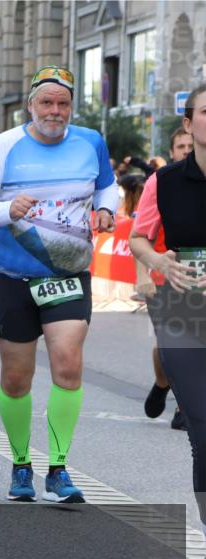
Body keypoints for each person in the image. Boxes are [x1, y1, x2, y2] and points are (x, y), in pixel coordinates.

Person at [0, 66, 118, 503]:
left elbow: (106, 187)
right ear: (31, 105)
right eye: (47, 102)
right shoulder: (5, 145)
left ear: (71, 106)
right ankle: (20, 464)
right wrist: (7, 208)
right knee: (16, 378)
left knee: (68, 364)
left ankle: (57, 467)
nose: (55, 111)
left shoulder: (90, 141)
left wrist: (107, 210)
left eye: (63, 103)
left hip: (68, 274)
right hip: (13, 274)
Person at [129, 83, 206, 559]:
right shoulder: (166, 181)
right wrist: (157, 260)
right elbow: (139, 235)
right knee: (203, 426)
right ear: (189, 124)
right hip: (184, 308)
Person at [135, 126, 194, 431]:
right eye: (180, 146)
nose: (186, 149)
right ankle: (162, 383)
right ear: (172, 152)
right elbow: (139, 235)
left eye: (189, 145)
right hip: (162, 277)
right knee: (168, 344)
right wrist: (142, 273)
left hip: (197, 278)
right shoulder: (162, 182)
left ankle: (186, 405)